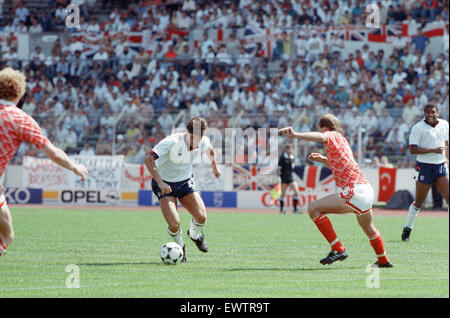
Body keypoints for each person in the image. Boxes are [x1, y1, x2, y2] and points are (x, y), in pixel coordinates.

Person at [279, 114, 392, 268]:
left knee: (313, 208)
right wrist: (323, 160)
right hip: (365, 189)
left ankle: (338, 248)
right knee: (369, 228)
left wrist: (296, 135)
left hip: (355, 191)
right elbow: (340, 166)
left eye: (321, 129)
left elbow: (321, 136)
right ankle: (383, 261)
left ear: (325, 127)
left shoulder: (332, 134)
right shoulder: (342, 142)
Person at [0, 67, 88, 257]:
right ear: (20, 92)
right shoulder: (20, 119)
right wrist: (75, 167)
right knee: (7, 236)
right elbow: (53, 152)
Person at [144, 117, 221, 263]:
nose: (197, 141)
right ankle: (180, 246)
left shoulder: (203, 140)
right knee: (174, 224)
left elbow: (210, 150)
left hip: (185, 182)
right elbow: (148, 159)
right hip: (165, 184)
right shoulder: (171, 142)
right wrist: (160, 182)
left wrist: (215, 168)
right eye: (194, 137)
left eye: (200, 137)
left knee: (202, 217)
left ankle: (195, 235)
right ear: (188, 132)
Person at [402, 104, 449, 242]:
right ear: (424, 114)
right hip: (424, 167)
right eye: (427, 112)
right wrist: (433, 150)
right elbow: (413, 150)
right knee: (419, 203)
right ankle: (407, 227)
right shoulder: (417, 128)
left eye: (432, 112)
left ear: (437, 113)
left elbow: (446, 144)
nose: (430, 115)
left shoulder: (445, 125)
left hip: (440, 165)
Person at [277, 144, 300, 214]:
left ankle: (295, 209)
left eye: (291, 148)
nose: (290, 150)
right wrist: (279, 178)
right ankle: (281, 210)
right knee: (283, 194)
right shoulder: (282, 157)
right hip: (283, 177)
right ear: (286, 150)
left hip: (290, 177)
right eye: (288, 148)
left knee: (296, 192)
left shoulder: (292, 157)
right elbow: (279, 169)